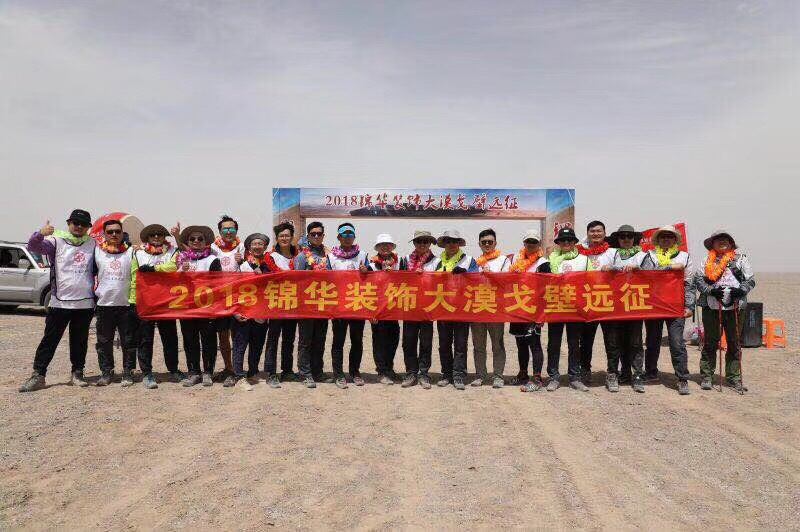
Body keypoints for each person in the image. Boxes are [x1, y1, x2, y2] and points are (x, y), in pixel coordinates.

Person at [20, 210, 96, 392]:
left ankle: (77, 373)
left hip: (84, 303)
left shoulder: (93, 244)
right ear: (69, 224)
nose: (79, 226)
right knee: (50, 340)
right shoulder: (56, 241)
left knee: (79, 341)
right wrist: (40, 233)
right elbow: (33, 246)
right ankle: (38, 375)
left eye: (83, 224)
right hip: (59, 302)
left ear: (88, 227)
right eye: (75, 222)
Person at [694, 230, 755, 393]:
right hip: (711, 306)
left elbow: (750, 280)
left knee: (734, 342)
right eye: (718, 239)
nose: (722, 241)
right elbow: (698, 280)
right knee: (710, 342)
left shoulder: (741, 260)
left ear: (731, 243)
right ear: (712, 244)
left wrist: (741, 291)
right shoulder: (706, 260)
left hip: (736, 306)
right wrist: (710, 291)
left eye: (725, 239)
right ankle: (707, 376)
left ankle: (734, 377)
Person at [640, 225, 694, 395]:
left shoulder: (684, 257)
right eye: (662, 236)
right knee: (652, 341)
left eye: (669, 236)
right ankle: (650, 372)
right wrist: (670, 267)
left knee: (677, 342)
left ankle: (682, 378)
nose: (666, 239)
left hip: (675, 306)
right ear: (658, 240)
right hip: (654, 306)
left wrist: (689, 306)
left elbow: (689, 284)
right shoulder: (650, 255)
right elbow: (645, 275)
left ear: (675, 239)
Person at [128, 224, 183, 389]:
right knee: (145, 339)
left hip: (166, 302)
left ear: (164, 237)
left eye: (160, 234)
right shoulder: (138, 253)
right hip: (145, 302)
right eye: (153, 235)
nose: (156, 237)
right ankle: (147, 373)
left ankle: (173, 369)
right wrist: (133, 300)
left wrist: (153, 269)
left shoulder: (172, 251)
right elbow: (134, 276)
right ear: (147, 238)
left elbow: (174, 267)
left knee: (170, 338)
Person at [227, 233, 277, 390]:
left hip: (261, 312)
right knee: (240, 345)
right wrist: (235, 311)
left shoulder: (269, 265)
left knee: (257, 344)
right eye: (254, 244)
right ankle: (239, 376)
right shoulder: (241, 265)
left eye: (260, 244)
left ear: (265, 247)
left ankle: (253, 372)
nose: (257, 246)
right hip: (242, 311)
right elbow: (231, 288)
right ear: (249, 247)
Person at [431, 230, 478, 390]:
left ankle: (459, 376)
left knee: (460, 344)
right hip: (443, 308)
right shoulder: (437, 262)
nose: (451, 244)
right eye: (448, 241)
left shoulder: (469, 260)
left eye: (455, 241)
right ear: (444, 244)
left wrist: (466, 274)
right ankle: (447, 374)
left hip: (462, 309)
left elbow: (477, 278)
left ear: (459, 243)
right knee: (444, 344)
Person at [176, 225, 222, 387]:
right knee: (190, 340)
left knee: (208, 340)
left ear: (205, 242)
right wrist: (181, 272)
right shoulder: (182, 260)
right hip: (187, 308)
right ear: (188, 242)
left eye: (200, 239)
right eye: (192, 239)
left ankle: (208, 372)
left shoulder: (213, 260)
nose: (196, 241)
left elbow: (218, 284)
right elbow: (173, 284)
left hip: (207, 308)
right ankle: (194, 372)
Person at [92, 219, 137, 387]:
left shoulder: (131, 251)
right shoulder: (97, 251)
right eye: (110, 232)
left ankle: (128, 372)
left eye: (117, 231)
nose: (114, 234)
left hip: (126, 305)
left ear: (122, 233)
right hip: (104, 304)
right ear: (104, 234)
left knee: (128, 341)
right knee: (104, 342)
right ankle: (106, 372)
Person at [546, 227, 589, 392]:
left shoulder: (584, 260)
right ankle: (553, 377)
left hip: (575, 308)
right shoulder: (550, 260)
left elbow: (594, 282)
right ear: (558, 243)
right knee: (553, 344)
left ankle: (574, 377)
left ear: (574, 242)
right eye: (562, 240)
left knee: (574, 344)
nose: (566, 243)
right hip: (555, 307)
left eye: (569, 240)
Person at [509, 229, 551, 392]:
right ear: (524, 243)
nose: (531, 244)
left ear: (539, 244)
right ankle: (523, 374)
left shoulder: (543, 263)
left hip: (534, 310)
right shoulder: (516, 261)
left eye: (534, 242)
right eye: (528, 242)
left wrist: (542, 314)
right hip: (518, 307)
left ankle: (537, 378)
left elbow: (547, 289)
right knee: (521, 344)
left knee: (534, 343)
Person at [327, 223, 369, 388]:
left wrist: (366, 271)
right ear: (339, 237)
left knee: (357, 340)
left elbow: (371, 279)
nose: (347, 237)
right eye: (344, 234)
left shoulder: (363, 255)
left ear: (354, 237)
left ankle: (355, 372)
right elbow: (326, 280)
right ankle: (338, 374)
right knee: (338, 341)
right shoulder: (331, 257)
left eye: (350, 234)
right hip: (339, 306)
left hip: (357, 303)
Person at [606, 225, 647, 393]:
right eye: (622, 236)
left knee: (635, 343)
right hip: (615, 306)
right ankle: (614, 374)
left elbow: (653, 273)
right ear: (618, 239)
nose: (626, 239)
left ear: (634, 238)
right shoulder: (611, 254)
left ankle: (637, 375)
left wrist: (638, 269)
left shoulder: (643, 255)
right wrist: (610, 269)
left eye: (629, 236)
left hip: (635, 305)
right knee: (614, 342)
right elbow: (602, 270)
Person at [577, 220, 618, 384]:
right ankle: (585, 370)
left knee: (612, 341)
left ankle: (612, 373)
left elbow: (624, 269)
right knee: (586, 340)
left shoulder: (613, 252)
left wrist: (613, 268)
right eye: (592, 231)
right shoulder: (579, 252)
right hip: (588, 303)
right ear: (587, 233)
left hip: (608, 303)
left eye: (599, 231)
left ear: (605, 233)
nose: (595, 234)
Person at [398, 230, 438, 389]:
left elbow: (441, 283)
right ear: (414, 243)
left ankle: (424, 373)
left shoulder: (436, 261)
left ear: (430, 244)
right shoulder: (404, 260)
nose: (422, 244)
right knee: (408, 342)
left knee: (426, 342)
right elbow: (398, 281)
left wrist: (425, 277)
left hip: (428, 307)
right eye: (419, 241)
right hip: (409, 306)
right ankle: (411, 372)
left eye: (425, 241)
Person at [471, 228, 510, 388]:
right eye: (484, 242)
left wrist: (492, 274)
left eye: (490, 242)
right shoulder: (474, 262)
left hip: (496, 309)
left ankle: (498, 376)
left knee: (497, 344)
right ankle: (480, 375)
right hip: (478, 309)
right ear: (479, 244)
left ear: (495, 243)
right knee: (478, 345)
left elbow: (507, 281)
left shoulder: (504, 260)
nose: (487, 244)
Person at [294, 221, 330, 388]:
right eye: (313, 234)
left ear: (323, 236)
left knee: (320, 339)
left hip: (323, 304)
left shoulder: (328, 255)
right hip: (307, 305)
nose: (316, 236)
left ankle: (317, 371)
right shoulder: (302, 256)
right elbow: (297, 281)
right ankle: (305, 373)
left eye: (319, 234)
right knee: (305, 341)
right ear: (308, 236)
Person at [209, 215, 245, 381]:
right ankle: (228, 368)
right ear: (220, 231)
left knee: (236, 335)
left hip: (237, 297)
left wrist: (242, 261)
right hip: (219, 299)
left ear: (236, 230)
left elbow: (252, 267)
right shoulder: (212, 248)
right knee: (223, 335)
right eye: (225, 229)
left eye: (231, 229)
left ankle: (237, 370)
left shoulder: (243, 247)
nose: (228, 232)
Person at [264, 222, 299, 383]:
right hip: (275, 304)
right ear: (277, 238)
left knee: (289, 339)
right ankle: (271, 373)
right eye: (281, 236)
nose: (284, 238)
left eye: (287, 235)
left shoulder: (299, 256)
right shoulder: (270, 257)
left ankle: (287, 370)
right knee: (273, 338)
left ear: (292, 237)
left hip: (293, 303)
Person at [368, 233, 401, 385]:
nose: (385, 247)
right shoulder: (371, 265)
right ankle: (381, 371)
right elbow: (367, 289)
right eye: (382, 245)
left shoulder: (399, 263)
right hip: (378, 311)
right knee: (379, 341)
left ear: (392, 247)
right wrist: (371, 312)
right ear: (378, 248)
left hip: (393, 309)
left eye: (388, 244)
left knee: (393, 339)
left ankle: (389, 368)